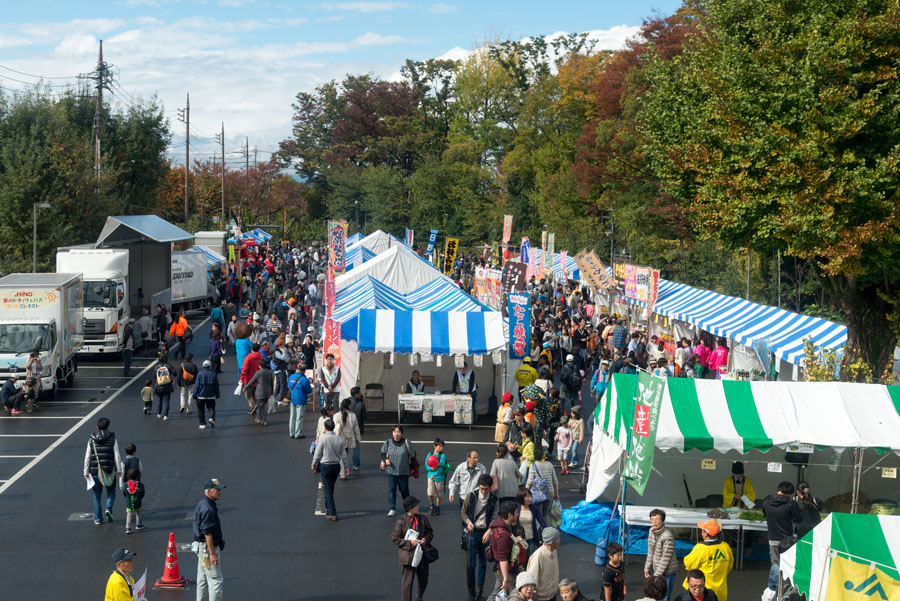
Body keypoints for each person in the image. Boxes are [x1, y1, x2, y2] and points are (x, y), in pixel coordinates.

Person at [461, 474, 498, 601]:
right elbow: (463, 511)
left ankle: (479, 591)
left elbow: (495, 518)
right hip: (472, 533)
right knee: (471, 564)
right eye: (481, 488)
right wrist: (468, 522)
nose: (483, 491)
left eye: (486, 489)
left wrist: (490, 530)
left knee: (483, 562)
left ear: (490, 488)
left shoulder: (494, 499)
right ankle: (471, 591)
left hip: (485, 533)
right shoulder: (471, 495)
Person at [391, 495, 433, 601]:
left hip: (422, 554)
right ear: (410, 508)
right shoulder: (401, 521)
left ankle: (419, 597)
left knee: (424, 579)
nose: (418, 506)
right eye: (416, 505)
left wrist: (425, 539)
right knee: (407, 583)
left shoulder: (423, 519)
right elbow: (395, 538)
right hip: (408, 555)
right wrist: (410, 543)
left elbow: (430, 532)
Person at [83, 417, 122, 525]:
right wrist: (119, 470)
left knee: (96, 494)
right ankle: (108, 508)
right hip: (109, 470)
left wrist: (86, 472)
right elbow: (117, 456)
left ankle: (98, 519)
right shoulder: (113, 438)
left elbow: (87, 457)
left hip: (95, 471)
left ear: (97, 427)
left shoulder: (91, 439)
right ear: (108, 427)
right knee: (111, 491)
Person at [192, 478, 226, 600]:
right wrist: (212, 553)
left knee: (202, 579)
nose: (220, 492)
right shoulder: (208, 509)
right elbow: (207, 533)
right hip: (208, 548)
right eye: (217, 489)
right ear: (209, 491)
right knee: (215, 580)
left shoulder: (203, 503)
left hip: (202, 548)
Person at [683, 520, 733, 601]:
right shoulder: (725, 547)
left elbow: (688, 565)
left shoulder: (701, 548)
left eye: (702, 530)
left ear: (705, 533)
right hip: (721, 591)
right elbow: (729, 566)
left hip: (702, 592)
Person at [311, 418, 349, 520]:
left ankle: (332, 513)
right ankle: (328, 507)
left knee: (327, 489)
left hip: (325, 466)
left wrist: (313, 464)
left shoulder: (323, 439)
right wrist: (346, 467)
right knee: (330, 487)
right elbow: (344, 455)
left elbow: (317, 454)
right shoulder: (339, 439)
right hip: (336, 466)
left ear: (325, 428)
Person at [485, 501, 520, 601]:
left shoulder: (497, 527)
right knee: (513, 595)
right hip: (506, 570)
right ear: (509, 515)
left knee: (498, 594)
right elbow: (503, 558)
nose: (517, 514)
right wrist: (506, 579)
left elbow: (495, 521)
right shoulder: (504, 535)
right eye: (516, 512)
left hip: (501, 569)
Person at [761, 481, 802, 564]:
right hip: (788, 540)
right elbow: (799, 519)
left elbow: (765, 514)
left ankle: (776, 577)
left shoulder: (766, 501)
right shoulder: (791, 503)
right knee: (788, 565)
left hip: (772, 538)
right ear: (789, 493)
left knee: (775, 564)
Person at [381, 425, 415, 516]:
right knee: (391, 490)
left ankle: (408, 507)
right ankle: (392, 508)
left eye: (398, 432)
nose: (396, 434)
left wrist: (413, 469)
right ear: (392, 433)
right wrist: (385, 460)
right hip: (391, 471)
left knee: (404, 491)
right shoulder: (388, 442)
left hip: (403, 471)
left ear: (401, 433)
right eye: (395, 432)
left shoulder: (407, 443)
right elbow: (383, 453)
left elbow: (413, 456)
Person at [645, 509, 678, 601]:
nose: (654, 522)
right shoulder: (651, 531)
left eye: (657, 519)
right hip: (657, 569)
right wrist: (647, 568)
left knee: (665, 595)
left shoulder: (667, 536)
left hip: (668, 571)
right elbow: (650, 551)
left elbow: (665, 558)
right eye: (652, 519)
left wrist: (656, 575)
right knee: (654, 594)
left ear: (663, 521)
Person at [525, 526, 560, 601]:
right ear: (552, 541)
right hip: (541, 599)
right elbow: (531, 580)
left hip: (552, 596)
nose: (559, 541)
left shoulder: (554, 551)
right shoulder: (538, 557)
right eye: (558, 539)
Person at [525, 447, 559, 523]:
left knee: (538, 514)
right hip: (550, 492)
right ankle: (548, 532)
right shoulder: (549, 464)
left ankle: (540, 532)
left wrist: (525, 492)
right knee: (547, 514)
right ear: (543, 455)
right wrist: (556, 494)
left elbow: (529, 481)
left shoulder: (533, 466)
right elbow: (555, 481)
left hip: (538, 493)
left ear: (534, 456)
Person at [334, 397, 361, 478]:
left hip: (339, 438)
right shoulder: (353, 415)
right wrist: (358, 439)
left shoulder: (336, 415)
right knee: (346, 455)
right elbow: (356, 428)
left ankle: (342, 473)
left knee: (342, 456)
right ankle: (345, 471)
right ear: (348, 406)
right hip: (350, 438)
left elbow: (334, 428)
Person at [516, 487, 548, 554]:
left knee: (529, 561)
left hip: (531, 539)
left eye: (530, 496)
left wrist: (548, 531)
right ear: (521, 498)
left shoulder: (534, 508)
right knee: (521, 562)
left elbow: (541, 521)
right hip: (519, 540)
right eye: (527, 497)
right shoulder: (516, 508)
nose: (530, 499)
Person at [287, 365, 313, 439]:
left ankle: (291, 433)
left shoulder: (291, 376)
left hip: (292, 398)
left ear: (297, 369)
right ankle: (298, 433)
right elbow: (309, 391)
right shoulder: (304, 380)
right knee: (299, 417)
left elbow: (289, 386)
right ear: (305, 370)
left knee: (292, 417)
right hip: (301, 399)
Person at [425, 438, 450, 515]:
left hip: (439, 478)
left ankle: (438, 507)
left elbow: (441, 467)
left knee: (439, 494)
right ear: (434, 446)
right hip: (430, 477)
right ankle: (432, 505)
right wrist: (430, 470)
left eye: (442, 446)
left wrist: (434, 474)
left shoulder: (442, 456)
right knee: (430, 493)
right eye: (439, 446)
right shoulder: (429, 454)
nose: (441, 448)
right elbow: (426, 464)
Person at [246, 359, 274, 426]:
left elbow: (252, 381)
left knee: (261, 407)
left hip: (260, 393)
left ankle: (263, 420)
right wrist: (272, 391)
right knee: (262, 405)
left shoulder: (258, 373)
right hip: (267, 392)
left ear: (259, 366)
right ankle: (258, 418)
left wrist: (245, 387)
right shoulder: (269, 372)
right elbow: (271, 382)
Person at [193, 360, 219, 430]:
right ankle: (211, 418)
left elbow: (197, 386)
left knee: (200, 409)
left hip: (200, 395)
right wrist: (217, 395)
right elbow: (216, 386)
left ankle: (202, 424)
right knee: (211, 408)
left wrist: (195, 395)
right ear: (210, 366)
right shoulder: (213, 374)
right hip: (211, 395)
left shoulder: (200, 374)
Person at [348, 386, 367, 469]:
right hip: (357, 428)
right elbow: (365, 416)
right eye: (359, 393)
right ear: (356, 395)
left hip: (347, 428)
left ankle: (343, 465)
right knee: (356, 448)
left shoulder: (347, 401)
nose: (361, 394)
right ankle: (355, 465)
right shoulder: (361, 404)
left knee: (345, 447)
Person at [152, 354, 177, 421]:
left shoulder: (157, 366)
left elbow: (154, 376)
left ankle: (159, 413)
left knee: (159, 400)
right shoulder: (168, 366)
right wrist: (173, 379)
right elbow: (175, 373)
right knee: (166, 401)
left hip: (159, 385)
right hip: (167, 385)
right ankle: (165, 415)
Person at [122, 468, 145, 535]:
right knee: (138, 513)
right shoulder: (140, 485)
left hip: (129, 502)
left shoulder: (126, 485)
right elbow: (142, 493)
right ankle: (138, 524)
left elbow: (124, 492)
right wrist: (139, 498)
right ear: (137, 476)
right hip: (138, 502)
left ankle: (128, 528)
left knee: (129, 514)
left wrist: (127, 497)